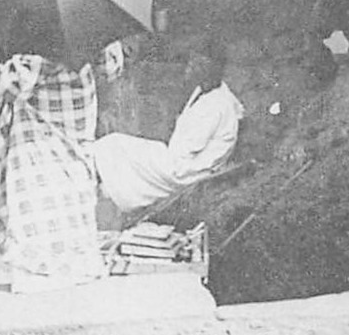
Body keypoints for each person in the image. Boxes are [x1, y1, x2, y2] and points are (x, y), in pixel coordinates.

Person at [0, 50, 106, 292]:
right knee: (70, 208)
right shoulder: (86, 55)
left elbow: (6, 89)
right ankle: (76, 270)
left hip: (41, 148)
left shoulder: (39, 60)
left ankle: (40, 274)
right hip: (74, 146)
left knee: (38, 208)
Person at [92, 41, 244, 213]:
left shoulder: (215, 105)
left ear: (211, 68)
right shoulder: (210, 91)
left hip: (186, 171)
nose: (190, 67)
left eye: (197, 64)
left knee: (112, 146)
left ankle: (103, 193)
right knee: (115, 147)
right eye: (192, 62)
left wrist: (154, 152)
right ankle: (106, 190)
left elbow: (183, 152)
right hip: (185, 162)